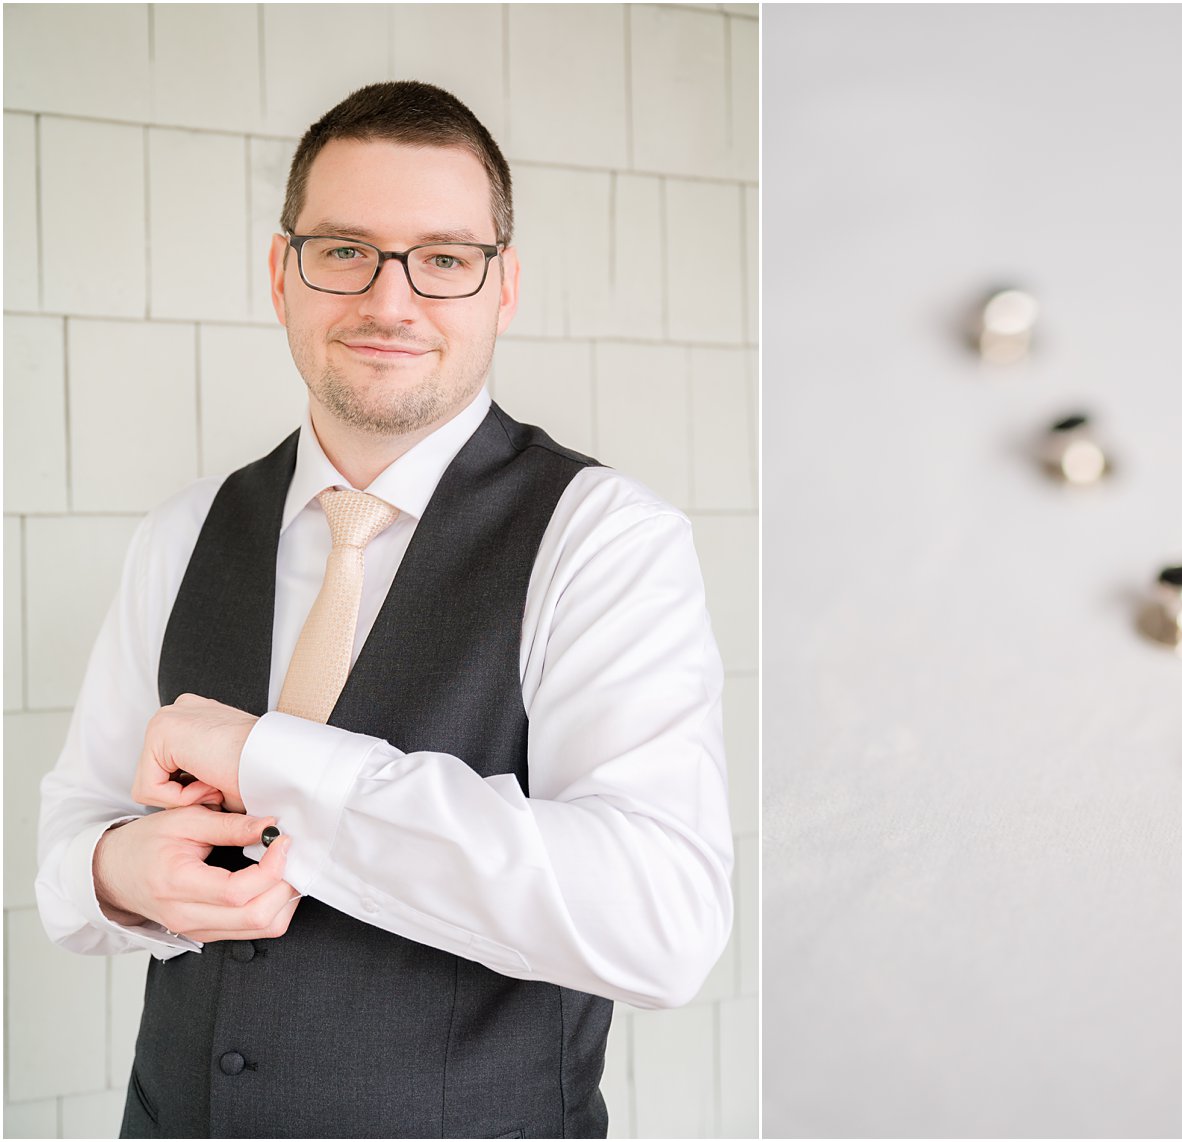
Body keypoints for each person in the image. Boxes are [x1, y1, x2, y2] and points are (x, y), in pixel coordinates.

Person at [33, 80, 733, 1139]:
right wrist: (117, 870)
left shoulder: (605, 538)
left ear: (502, 288)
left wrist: (270, 759)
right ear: (282, 275)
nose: (390, 300)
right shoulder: (180, 534)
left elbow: (660, 922)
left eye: (443, 259)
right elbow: (71, 843)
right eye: (344, 250)